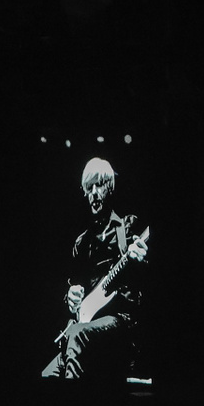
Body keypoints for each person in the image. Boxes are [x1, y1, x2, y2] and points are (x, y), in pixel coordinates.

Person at [42, 157, 149, 380]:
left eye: (99, 185)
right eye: (88, 188)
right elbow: (73, 290)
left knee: (76, 335)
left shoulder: (127, 227)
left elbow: (149, 281)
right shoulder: (82, 243)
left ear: (110, 188)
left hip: (119, 321)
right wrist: (70, 297)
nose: (93, 193)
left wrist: (140, 260)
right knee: (47, 375)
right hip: (85, 327)